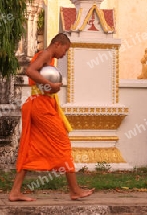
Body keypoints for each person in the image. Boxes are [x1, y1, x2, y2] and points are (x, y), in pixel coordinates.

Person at [9, 33, 94, 201]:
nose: (64, 54)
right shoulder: (46, 54)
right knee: (63, 143)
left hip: (41, 104)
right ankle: (75, 190)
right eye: (65, 49)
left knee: (31, 147)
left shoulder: (48, 57)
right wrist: (50, 84)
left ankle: (15, 191)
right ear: (57, 44)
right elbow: (30, 71)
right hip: (40, 106)